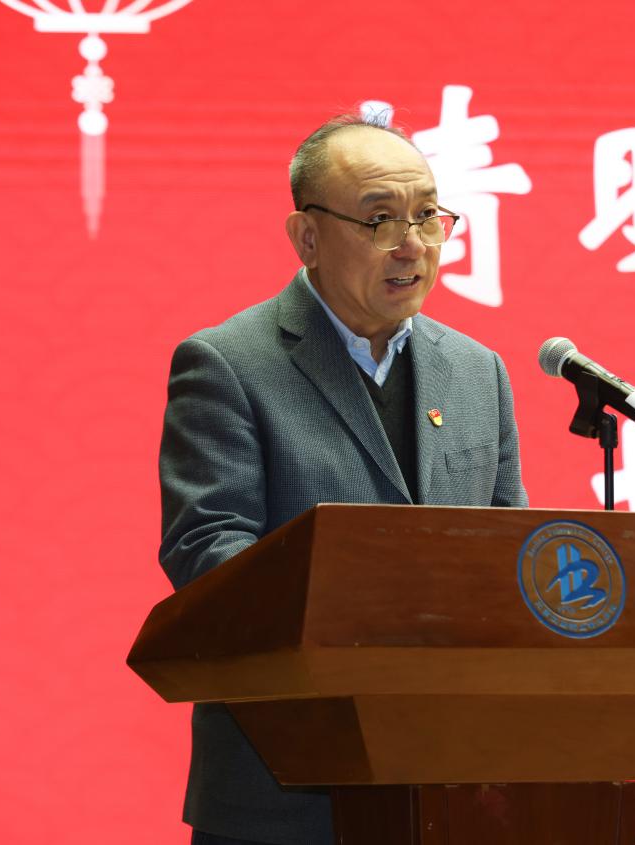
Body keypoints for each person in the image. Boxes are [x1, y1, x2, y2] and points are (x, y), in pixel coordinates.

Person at [158, 115, 528, 845]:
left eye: (427, 215)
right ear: (307, 237)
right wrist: (365, 613)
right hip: (287, 789)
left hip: (447, 783)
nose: (411, 244)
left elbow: (506, 549)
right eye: (380, 219)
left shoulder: (476, 370)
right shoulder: (227, 363)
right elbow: (207, 552)